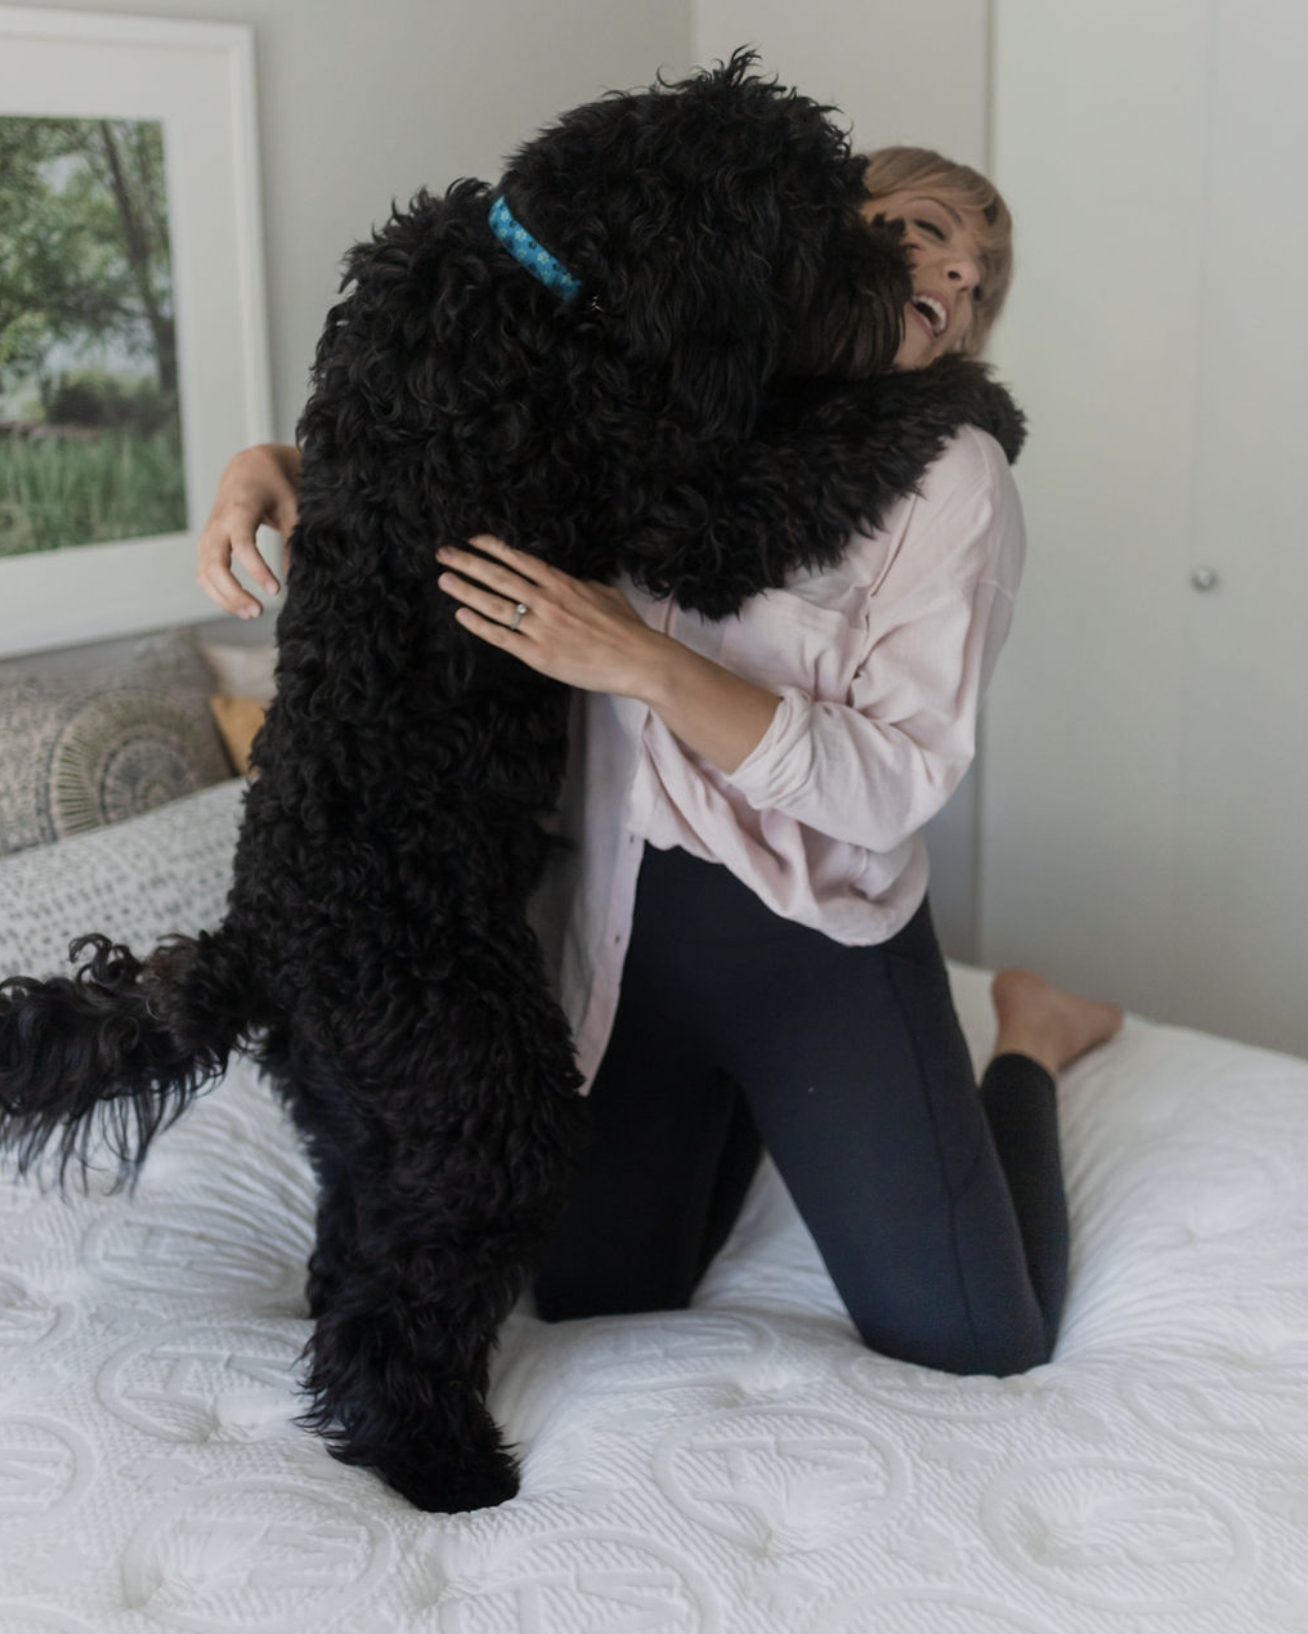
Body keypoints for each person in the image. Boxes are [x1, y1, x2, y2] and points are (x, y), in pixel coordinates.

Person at [197, 147, 1121, 1377]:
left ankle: (1031, 1035)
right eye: (929, 228)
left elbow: (895, 781)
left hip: (815, 937)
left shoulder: (955, 482)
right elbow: (457, 469)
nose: (961, 268)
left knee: (982, 1337)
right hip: (617, 924)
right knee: (590, 1291)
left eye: (981, 276)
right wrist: (273, 467)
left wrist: (641, 658)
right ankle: (743, 1095)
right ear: (821, 231)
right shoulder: (654, 392)